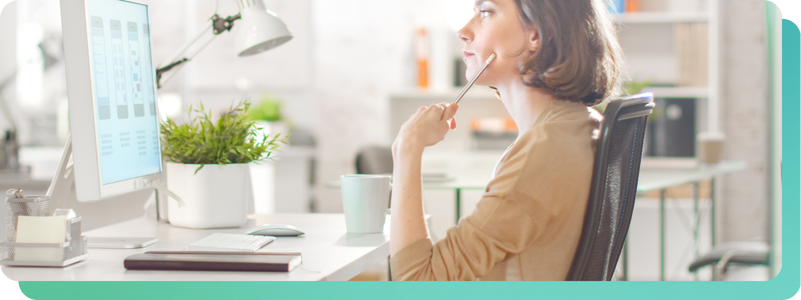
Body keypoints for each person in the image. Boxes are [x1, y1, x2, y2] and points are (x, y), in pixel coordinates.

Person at [389, 0, 623, 281]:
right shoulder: (577, 125)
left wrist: (408, 147)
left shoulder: (544, 152)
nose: (463, 31)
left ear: (535, 34)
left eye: (486, 12)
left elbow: (417, 281)